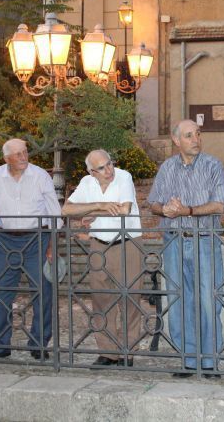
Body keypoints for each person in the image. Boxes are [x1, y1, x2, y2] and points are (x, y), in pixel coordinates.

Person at [148, 119, 224, 377]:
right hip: (173, 241)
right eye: (189, 135)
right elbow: (152, 203)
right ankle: (187, 358)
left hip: (204, 239)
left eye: (198, 134)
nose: (196, 139)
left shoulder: (213, 166)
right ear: (176, 141)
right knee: (177, 300)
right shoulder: (167, 167)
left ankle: (209, 361)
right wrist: (165, 209)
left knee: (208, 300)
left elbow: (220, 204)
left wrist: (188, 211)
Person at [0, 138, 60, 360]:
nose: (23, 157)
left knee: (43, 292)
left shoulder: (40, 176)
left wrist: (52, 245)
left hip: (36, 239)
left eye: (25, 152)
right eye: (18, 154)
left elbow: (54, 214)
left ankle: (39, 344)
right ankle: (0, 346)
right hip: (5, 241)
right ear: (6, 158)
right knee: (0, 293)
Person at [62, 149, 143, 367]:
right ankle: (108, 352)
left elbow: (124, 209)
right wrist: (98, 206)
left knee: (131, 299)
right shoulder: (87, 183)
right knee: (101, 300)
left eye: (110, 164)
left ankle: (128, 351)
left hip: (128, 244)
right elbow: (67, 209)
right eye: (102, 168)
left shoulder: (124, 176)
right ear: (91, 171)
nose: (109, 170)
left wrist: (92, 213)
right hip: (99, 246)